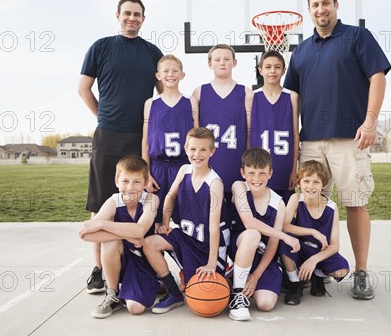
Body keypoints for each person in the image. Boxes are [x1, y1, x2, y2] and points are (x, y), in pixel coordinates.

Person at [283, 0, 391, 300]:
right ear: (309, 10)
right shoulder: (301, 50)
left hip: (349, 139)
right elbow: (294, 99)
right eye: (315, 5)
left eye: (326, 3)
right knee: (308, 206)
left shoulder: (357, 37)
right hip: (312, 142)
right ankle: (312, 271)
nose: (320, 9)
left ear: (336, 5)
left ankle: (360, 273)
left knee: (356, 204)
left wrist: (370, 120)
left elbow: (378, 76)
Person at [78, 0, 163, 294]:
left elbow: (164, 94)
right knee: (103, 200)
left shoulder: (152, 52)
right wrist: (103, 115)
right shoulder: (100, 47)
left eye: (137, 14)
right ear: (117, 15)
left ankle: (138, 263)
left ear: (143, 18)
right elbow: (83, 88)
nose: (132, 18)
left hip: (140, 136)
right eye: (127, 13)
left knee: (139, 198)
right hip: (108, 135)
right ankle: (99, 268)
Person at [143, 127, 228, 314]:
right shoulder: (184, 170)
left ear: (212, 151)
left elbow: (214, 226)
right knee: (149, 243)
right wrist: (165, 223)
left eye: (203, 150)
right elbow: (170, 196)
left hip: (206, 247)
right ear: (186, 149)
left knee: (203, 293)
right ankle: (174, 293)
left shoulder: (214, 184)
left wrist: (212, 263)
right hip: (186, 237)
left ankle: (223, 269)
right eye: (193, 149)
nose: (197, 154)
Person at [78, 156, 161, 317]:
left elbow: (139, 230)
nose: (130, 187)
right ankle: (113, 293)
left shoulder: (151, 199)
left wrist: (102, 224)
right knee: (110, 242)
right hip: (121, 259)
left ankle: (152, 283)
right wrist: (125, 236)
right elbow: (86, 235)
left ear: (145, 184)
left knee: (135, 309)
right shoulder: (113, 201)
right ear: (117, 181)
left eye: (137, 182)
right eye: (125, 181)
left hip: (144, 261)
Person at [228, 148, 300, 321]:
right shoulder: (239, 187)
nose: (256, 178)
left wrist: (256, 276)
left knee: (265, 304)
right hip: (238, 249)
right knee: (253, 234)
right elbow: (248, 221)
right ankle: (238, 294)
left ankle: (247, 281)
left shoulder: (278, 203)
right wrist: (284, 235)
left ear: (270, 173)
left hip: (262, 260)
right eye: (251, 172)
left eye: (262, 173)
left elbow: (273, 245)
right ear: (242, 173)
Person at [191, 44, 253, 226]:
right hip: (209, 167)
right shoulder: (199, 92)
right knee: (209, 223)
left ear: (234, 62)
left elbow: (250, 133)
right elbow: (195, 134)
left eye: (226, 59)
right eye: (217, 59)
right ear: (209, 63)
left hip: (236, 166)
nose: (222, 63)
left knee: (236, 226)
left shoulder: (246, 93)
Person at [280, 160, 350, 306]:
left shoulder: (331, 207)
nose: (310, 186)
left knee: (341, 270)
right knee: (284, 241)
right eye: (306, 181)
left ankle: (317, 275)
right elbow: (284, 226)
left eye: (316, 182)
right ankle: (295, 283)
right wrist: (312, 232)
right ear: (299, 183)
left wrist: (314, 260)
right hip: (299, 248)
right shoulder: (296, 199)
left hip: (318, 251)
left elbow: (334, 245)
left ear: (323, 185)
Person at [142, 54, 198, 228]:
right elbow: (146, 141)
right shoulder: (151, 103)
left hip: (183, 166)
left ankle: (185, 254)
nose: (170, 74)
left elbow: (198, 139)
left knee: (187, 219)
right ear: (158, 75)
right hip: (158, 168)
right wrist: (146, 173)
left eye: (175, 71)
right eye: (165, 71)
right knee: (156, 221)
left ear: (182, 75)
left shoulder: (191, 102)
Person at [250, 50, 300, 204]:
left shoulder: (292, 96)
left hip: (283, 165)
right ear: (260, 70)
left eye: (277, 67)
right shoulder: (251, 96)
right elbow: (247, 134)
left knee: (285, 216)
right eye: (268, 67)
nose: (273, 71)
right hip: (259, 168)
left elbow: (295, 135)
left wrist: (294, 170)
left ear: (284, 70)